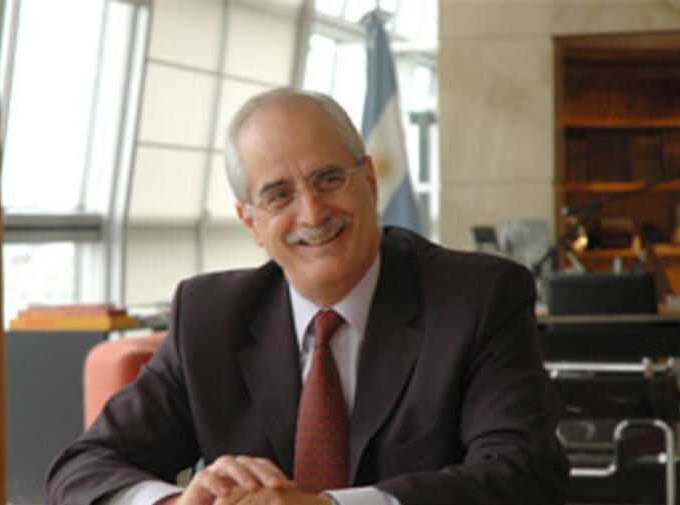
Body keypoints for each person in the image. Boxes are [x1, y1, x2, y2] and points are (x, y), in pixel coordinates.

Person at [46, 89, 568, 505]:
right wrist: (177, 503)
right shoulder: (208, 317)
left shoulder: (477, 298)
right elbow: (82, 469)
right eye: (279, 195)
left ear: (369, 181)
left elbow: (525, 475)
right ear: (251, 221)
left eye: (329, 179)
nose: (313, 214)